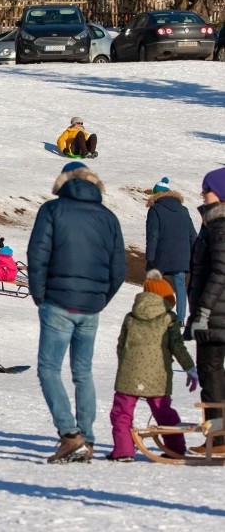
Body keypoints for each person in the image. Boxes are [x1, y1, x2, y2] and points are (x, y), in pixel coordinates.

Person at [27, 161, 125, 463]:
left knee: (49, 369)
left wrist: (40, 296)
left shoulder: (53, 210)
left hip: (57, 301)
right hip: (91, 306)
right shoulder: (108, 217)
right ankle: (88, 438)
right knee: (83, 372)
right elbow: (118, 269)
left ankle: (70, 436)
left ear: (64, 181)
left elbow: (37, 255)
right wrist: (99, 298)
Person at [108, 270, 197, 462]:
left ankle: (123, 451)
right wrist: (190, 368)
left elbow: (121, 345)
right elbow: (177, 346)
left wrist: (125, 365)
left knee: (122, 412)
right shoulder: (168, 318)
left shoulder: (131, 316)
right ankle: (176, 448)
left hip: (129, 372)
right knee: (163, 411)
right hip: (158, 374)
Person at [185, 166, 225, 454]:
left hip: (215, 316)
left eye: (206, 190)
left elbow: (220, 273)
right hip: (215, 314)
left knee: (211, 376)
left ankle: (221, 438)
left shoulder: (220, 228)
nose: (202, 195)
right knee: (213, 377)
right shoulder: (213, 225)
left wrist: (202, 311)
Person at [146, 176, 197, 326]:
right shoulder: (183, 210)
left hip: (162, 254)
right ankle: (180, 319)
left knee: (155, 283)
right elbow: (192, 235)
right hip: (182, 254)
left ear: (156, 194)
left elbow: (153, 235)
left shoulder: (155, 210)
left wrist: (150, 258)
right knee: (180, 285)